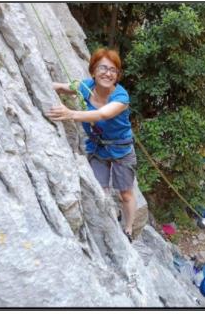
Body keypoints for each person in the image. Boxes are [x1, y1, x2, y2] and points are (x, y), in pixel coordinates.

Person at [46, 48, 138, 241]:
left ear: (117, 75)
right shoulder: (86, 86)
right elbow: (63, 87)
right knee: (100, 191)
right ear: (93, 70)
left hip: (121, 149)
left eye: (113, 70)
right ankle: (109, 224)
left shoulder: (121, 97)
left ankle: (129, 229)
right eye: (103, 68)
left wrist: (70, 114)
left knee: (126, 194)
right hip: (98, 148)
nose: (108, 73)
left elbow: (104, 114)